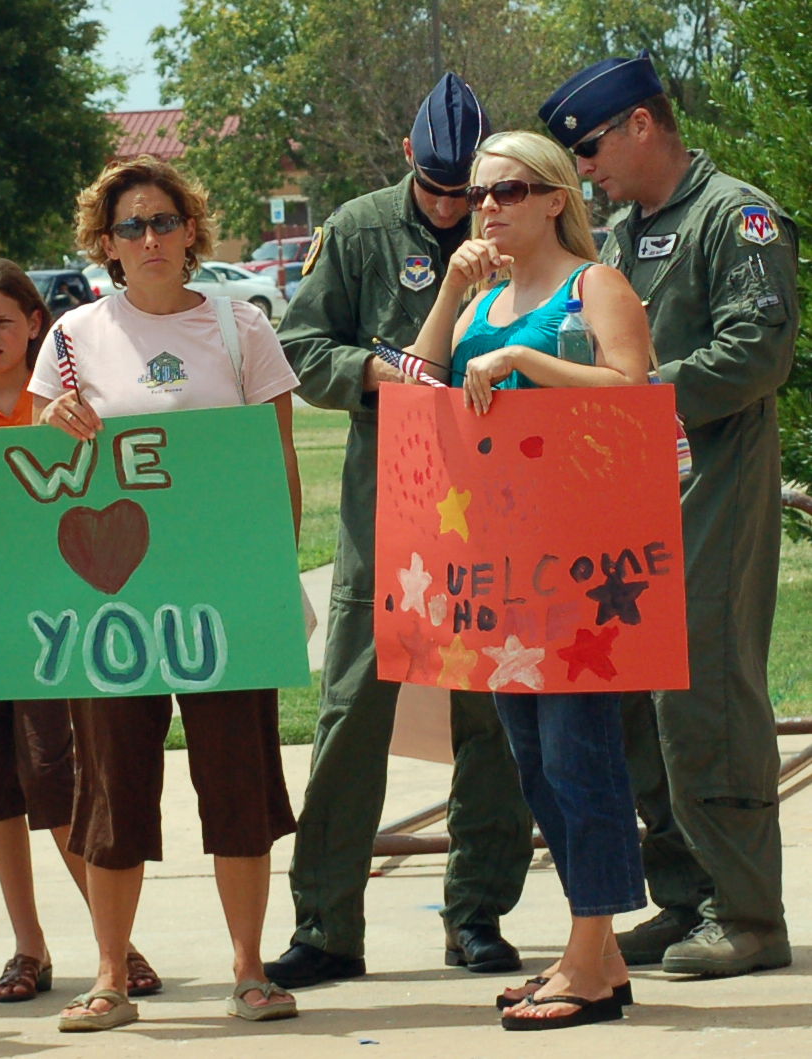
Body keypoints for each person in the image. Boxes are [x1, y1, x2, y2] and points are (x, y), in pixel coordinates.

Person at [264, 73, 533, 992]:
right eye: (443, 188)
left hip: (497, 507)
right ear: (409, 161)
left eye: (475, 191)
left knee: (489, 713)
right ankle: (326, 925)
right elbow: (301, 349)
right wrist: (384, 376)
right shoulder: (359, 227)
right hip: (388, 502)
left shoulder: (517, 222)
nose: (461, 206)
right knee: (348, 713)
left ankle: (478, 915)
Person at [538, 51, 799, 976]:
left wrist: (629, 397)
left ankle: (748, 916)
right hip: (631, 498)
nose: (587, 169)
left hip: (714, 491)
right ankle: (685, 899)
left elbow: (757, 352)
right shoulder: (620, 231)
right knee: (637, 700)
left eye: (595, 147)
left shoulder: (736, 213)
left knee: (706, 700)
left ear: (643, 125)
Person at [29, 155, 302, 1031]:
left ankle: (250, 970)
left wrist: (270, 571)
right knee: (110, 786)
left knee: (238, 780)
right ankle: (109, 975)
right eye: (129, 227)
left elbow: (280, 463)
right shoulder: (70, 338)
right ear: (105, 245)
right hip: (114, 604)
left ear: (191, 231)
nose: (148, 238)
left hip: (223, 590)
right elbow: (41, 469)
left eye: (162, 221)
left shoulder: (241, 325)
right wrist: (52, 423)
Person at [408, 130, 650, 1029]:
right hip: (499, 564)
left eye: (508, 191)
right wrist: (451, 293)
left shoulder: (596, 286)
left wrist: (523, 362)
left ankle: (589, 960)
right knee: (532, 762)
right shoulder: (482, 300)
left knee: (577, 756)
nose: (489, 209)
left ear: (554, 197)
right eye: (477, 196)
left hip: (581, 561)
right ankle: (599, 952)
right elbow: (421, 384)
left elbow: (633, 389)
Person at [0, 259, 161, 1004]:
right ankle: (28, 946)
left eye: (2, 321)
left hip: (44, 620)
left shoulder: (60, 403)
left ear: (36, 324)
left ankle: (112, 947)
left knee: (54, 779)